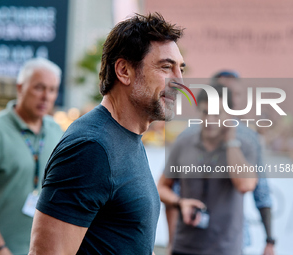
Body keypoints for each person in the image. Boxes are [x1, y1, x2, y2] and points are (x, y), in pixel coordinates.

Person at [28, 13, 185, 255]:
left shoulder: (128, 135)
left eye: (180, 69)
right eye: (166, 67)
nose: (179, 81)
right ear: (124, 71)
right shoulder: (91, 147)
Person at [164, 71, 275, 255]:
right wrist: (171, 240)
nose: (211, 119)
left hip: (229, 243)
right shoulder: (186, 138)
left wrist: (269, 240)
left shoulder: (247, 138)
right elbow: (170, 190)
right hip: (187, 243)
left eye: (235, 94)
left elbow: (257, 190)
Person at [0, 58, 63, 255]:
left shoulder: (57, 131)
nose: (46, 97)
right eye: (39, 88)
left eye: (52, 90)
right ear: (20, 87)